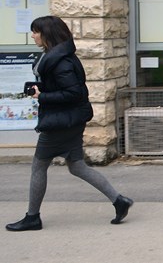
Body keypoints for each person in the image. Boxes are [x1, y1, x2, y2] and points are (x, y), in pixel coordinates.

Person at [6, 16, 133, 232]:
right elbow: (66, 88)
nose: (33, 35)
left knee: (38, 166)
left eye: (36, 31)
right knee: (77, 166)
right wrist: (42, 90)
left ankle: (32, 217)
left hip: (60, 123)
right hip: (69, 121)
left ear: (47, 34)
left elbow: (73, 93)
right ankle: (119, 201)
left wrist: (42, 96)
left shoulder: (60, 61)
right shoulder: (58, 56)